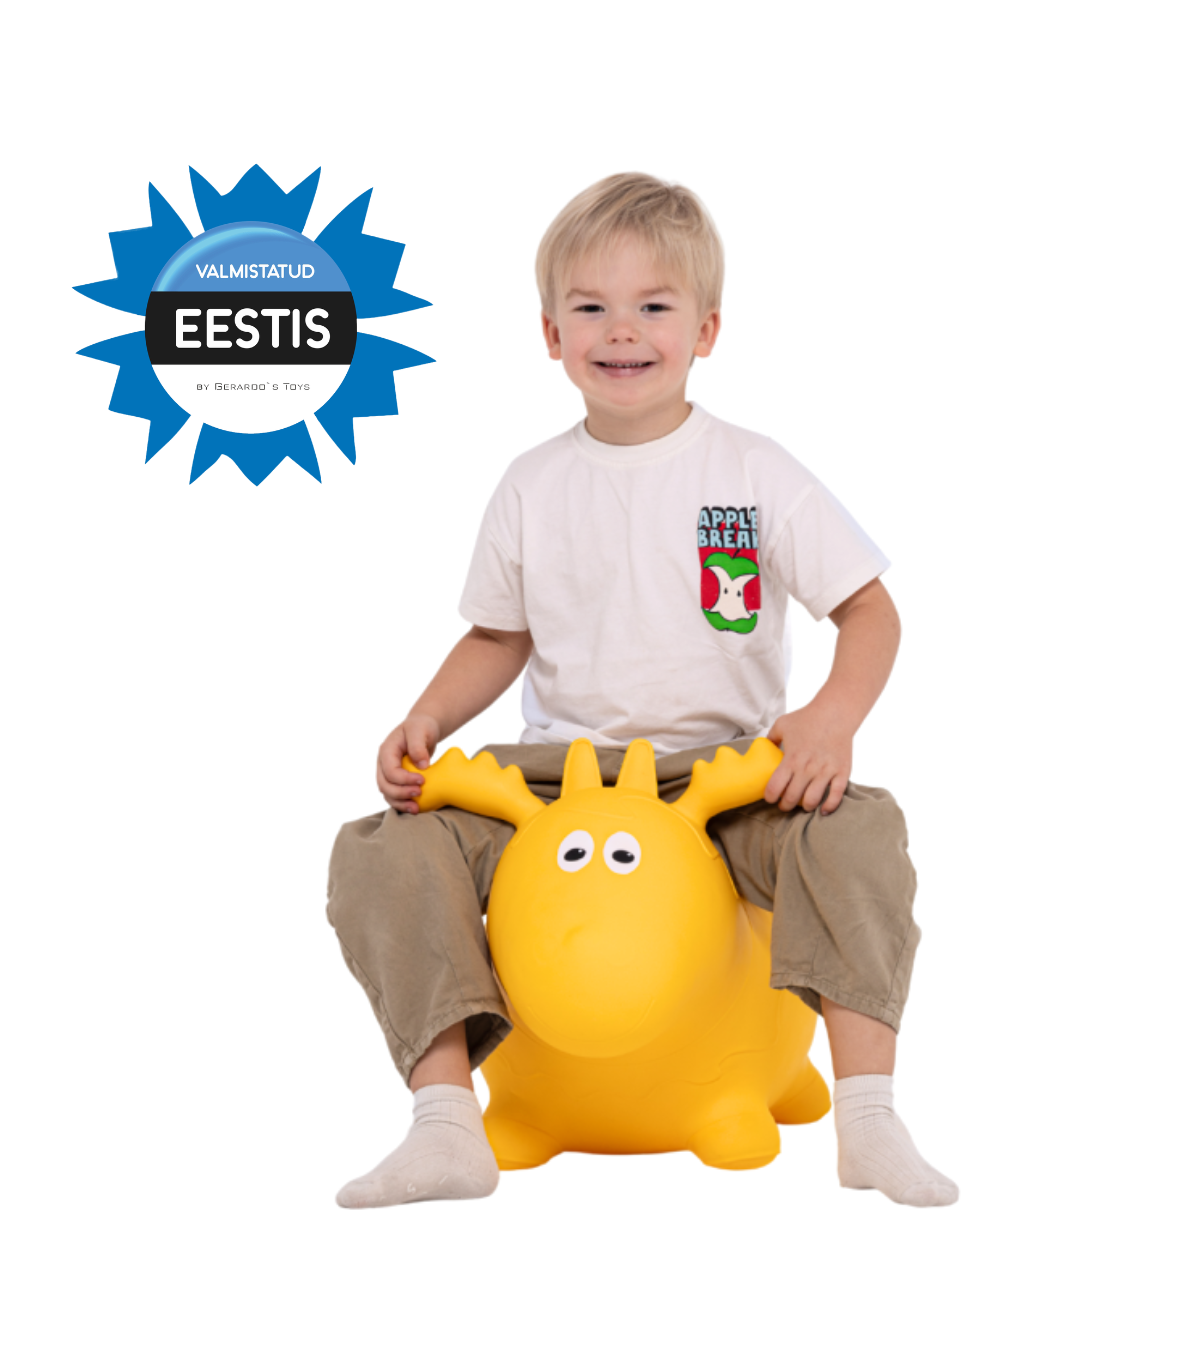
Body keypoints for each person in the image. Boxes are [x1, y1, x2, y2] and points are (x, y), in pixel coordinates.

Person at [327, 173, 958, 1209]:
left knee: (857, 829)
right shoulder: (531, 483)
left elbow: (870, 610)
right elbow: (498, 634)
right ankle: (443, 1119)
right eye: (591, 307)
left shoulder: (754, 471)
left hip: (723, 770)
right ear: (550, 334)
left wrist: (829, 721)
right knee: (381, 849)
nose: (622, 330)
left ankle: (869, 1114)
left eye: (654, 306)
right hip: (556, 775)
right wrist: (428, 718)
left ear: (706, 329)